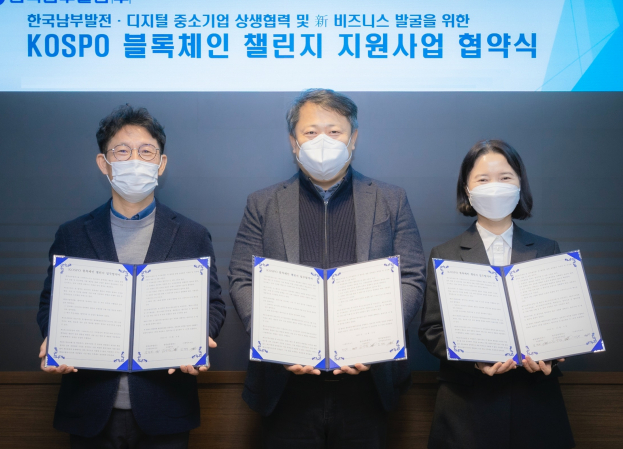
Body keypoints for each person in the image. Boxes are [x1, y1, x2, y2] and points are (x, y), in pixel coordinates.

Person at [228, 89, 426, 448]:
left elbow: (411, 276)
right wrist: (274, 340)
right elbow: (243, 279)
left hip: (368, 385)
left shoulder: (391, 199)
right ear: (293, 141)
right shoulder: (262, 203)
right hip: (285, 387)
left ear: (353, 138)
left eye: (334, 132)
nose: (323, 141)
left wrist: (379, 340)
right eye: (311, 132)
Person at [36, 104, 226, 449]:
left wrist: (199, 338)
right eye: (122, 151)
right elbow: (51, 303)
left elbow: (213, 304)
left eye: (146, 151)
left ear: (161, 163)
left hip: (166, 405)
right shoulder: (72, 234)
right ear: (103, 163)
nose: (134, 160)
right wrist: (55, 337)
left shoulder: (192, 235)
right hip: (90, 405)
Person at [419, 139, 574, 449]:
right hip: (467, 405)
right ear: (467, 189)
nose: (495, 187)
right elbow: (432, 329)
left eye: (505, 178)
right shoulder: (445, 254)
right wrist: (476, 360)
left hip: (535, 404)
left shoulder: (547, 249)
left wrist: (552, 355)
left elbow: (561, 323)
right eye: (483, 179)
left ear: (520, 184)